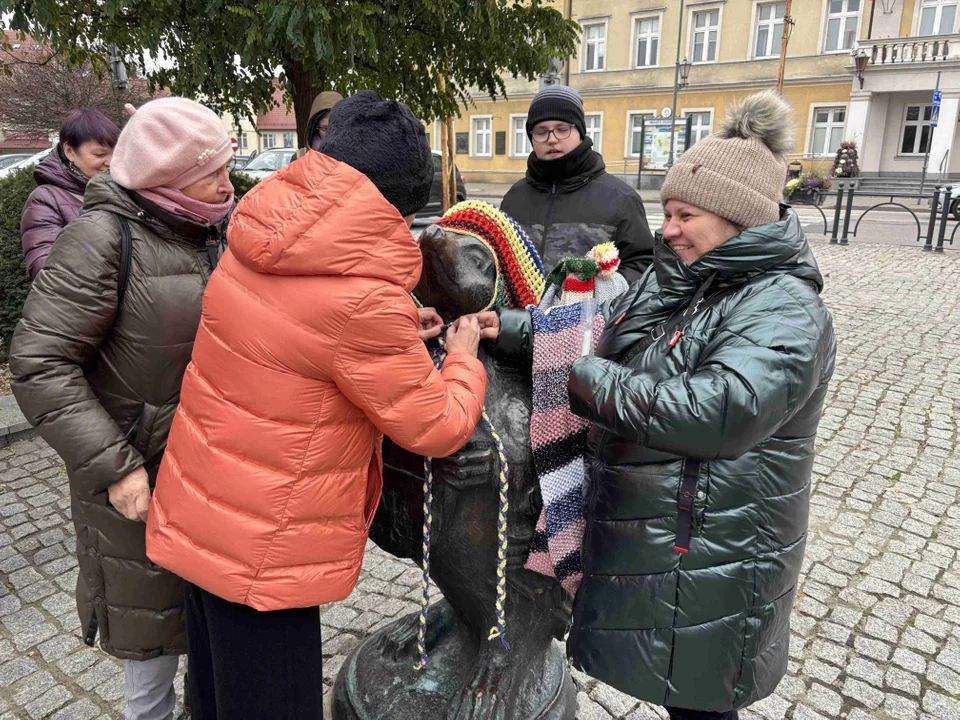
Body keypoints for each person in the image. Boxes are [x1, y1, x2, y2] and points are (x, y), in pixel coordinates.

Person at [469, 91, 836, 719]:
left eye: (683, 214)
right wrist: (497, 326)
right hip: (673, 540)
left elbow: (718, 410)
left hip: (718, 550)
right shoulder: (693, 278)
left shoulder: (784, 307)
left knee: (701, 701)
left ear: (737, 215)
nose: (666, 229)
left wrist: (582, 377)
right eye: (666, 212)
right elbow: (600, 321)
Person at [145, 90, 487, 720]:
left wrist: (398, 327)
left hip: (205, 508)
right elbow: (435, 425)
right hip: (266, 546)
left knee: (218, 695)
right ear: (393, 199)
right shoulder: (362, 296)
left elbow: (293, 333)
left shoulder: (264, 230)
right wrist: (462, 354)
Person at [10, 96, 235, 720]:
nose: (226, 181)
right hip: (141, 475)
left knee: (215, 635)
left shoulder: (218, 227)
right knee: (152, 640)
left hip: (218, 470)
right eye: (210, 169)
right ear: (165, 173)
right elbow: (38, 362)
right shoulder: (101, 238)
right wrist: (117, 467)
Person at [499, 84, 654, 283]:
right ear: (532, 137)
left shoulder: (621, 199)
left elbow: (643, 264)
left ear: (580, 132)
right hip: (519, 314)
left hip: (593, 313)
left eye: (562, 129)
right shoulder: (514, 198)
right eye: (541, 131)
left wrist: (605, 293)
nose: (552, 139)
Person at [20, 109, 120, 278]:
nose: (110, 162)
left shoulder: (124, 189)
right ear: (69, 151)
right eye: (100, 154)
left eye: (116, 153)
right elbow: (44, 269)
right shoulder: (45, 200)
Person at [295, 90, 344, 157]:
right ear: (315, 127)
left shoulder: (354, 158)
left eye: (334, 127)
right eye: (325, 129)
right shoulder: (300, 156)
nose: (329, 134)